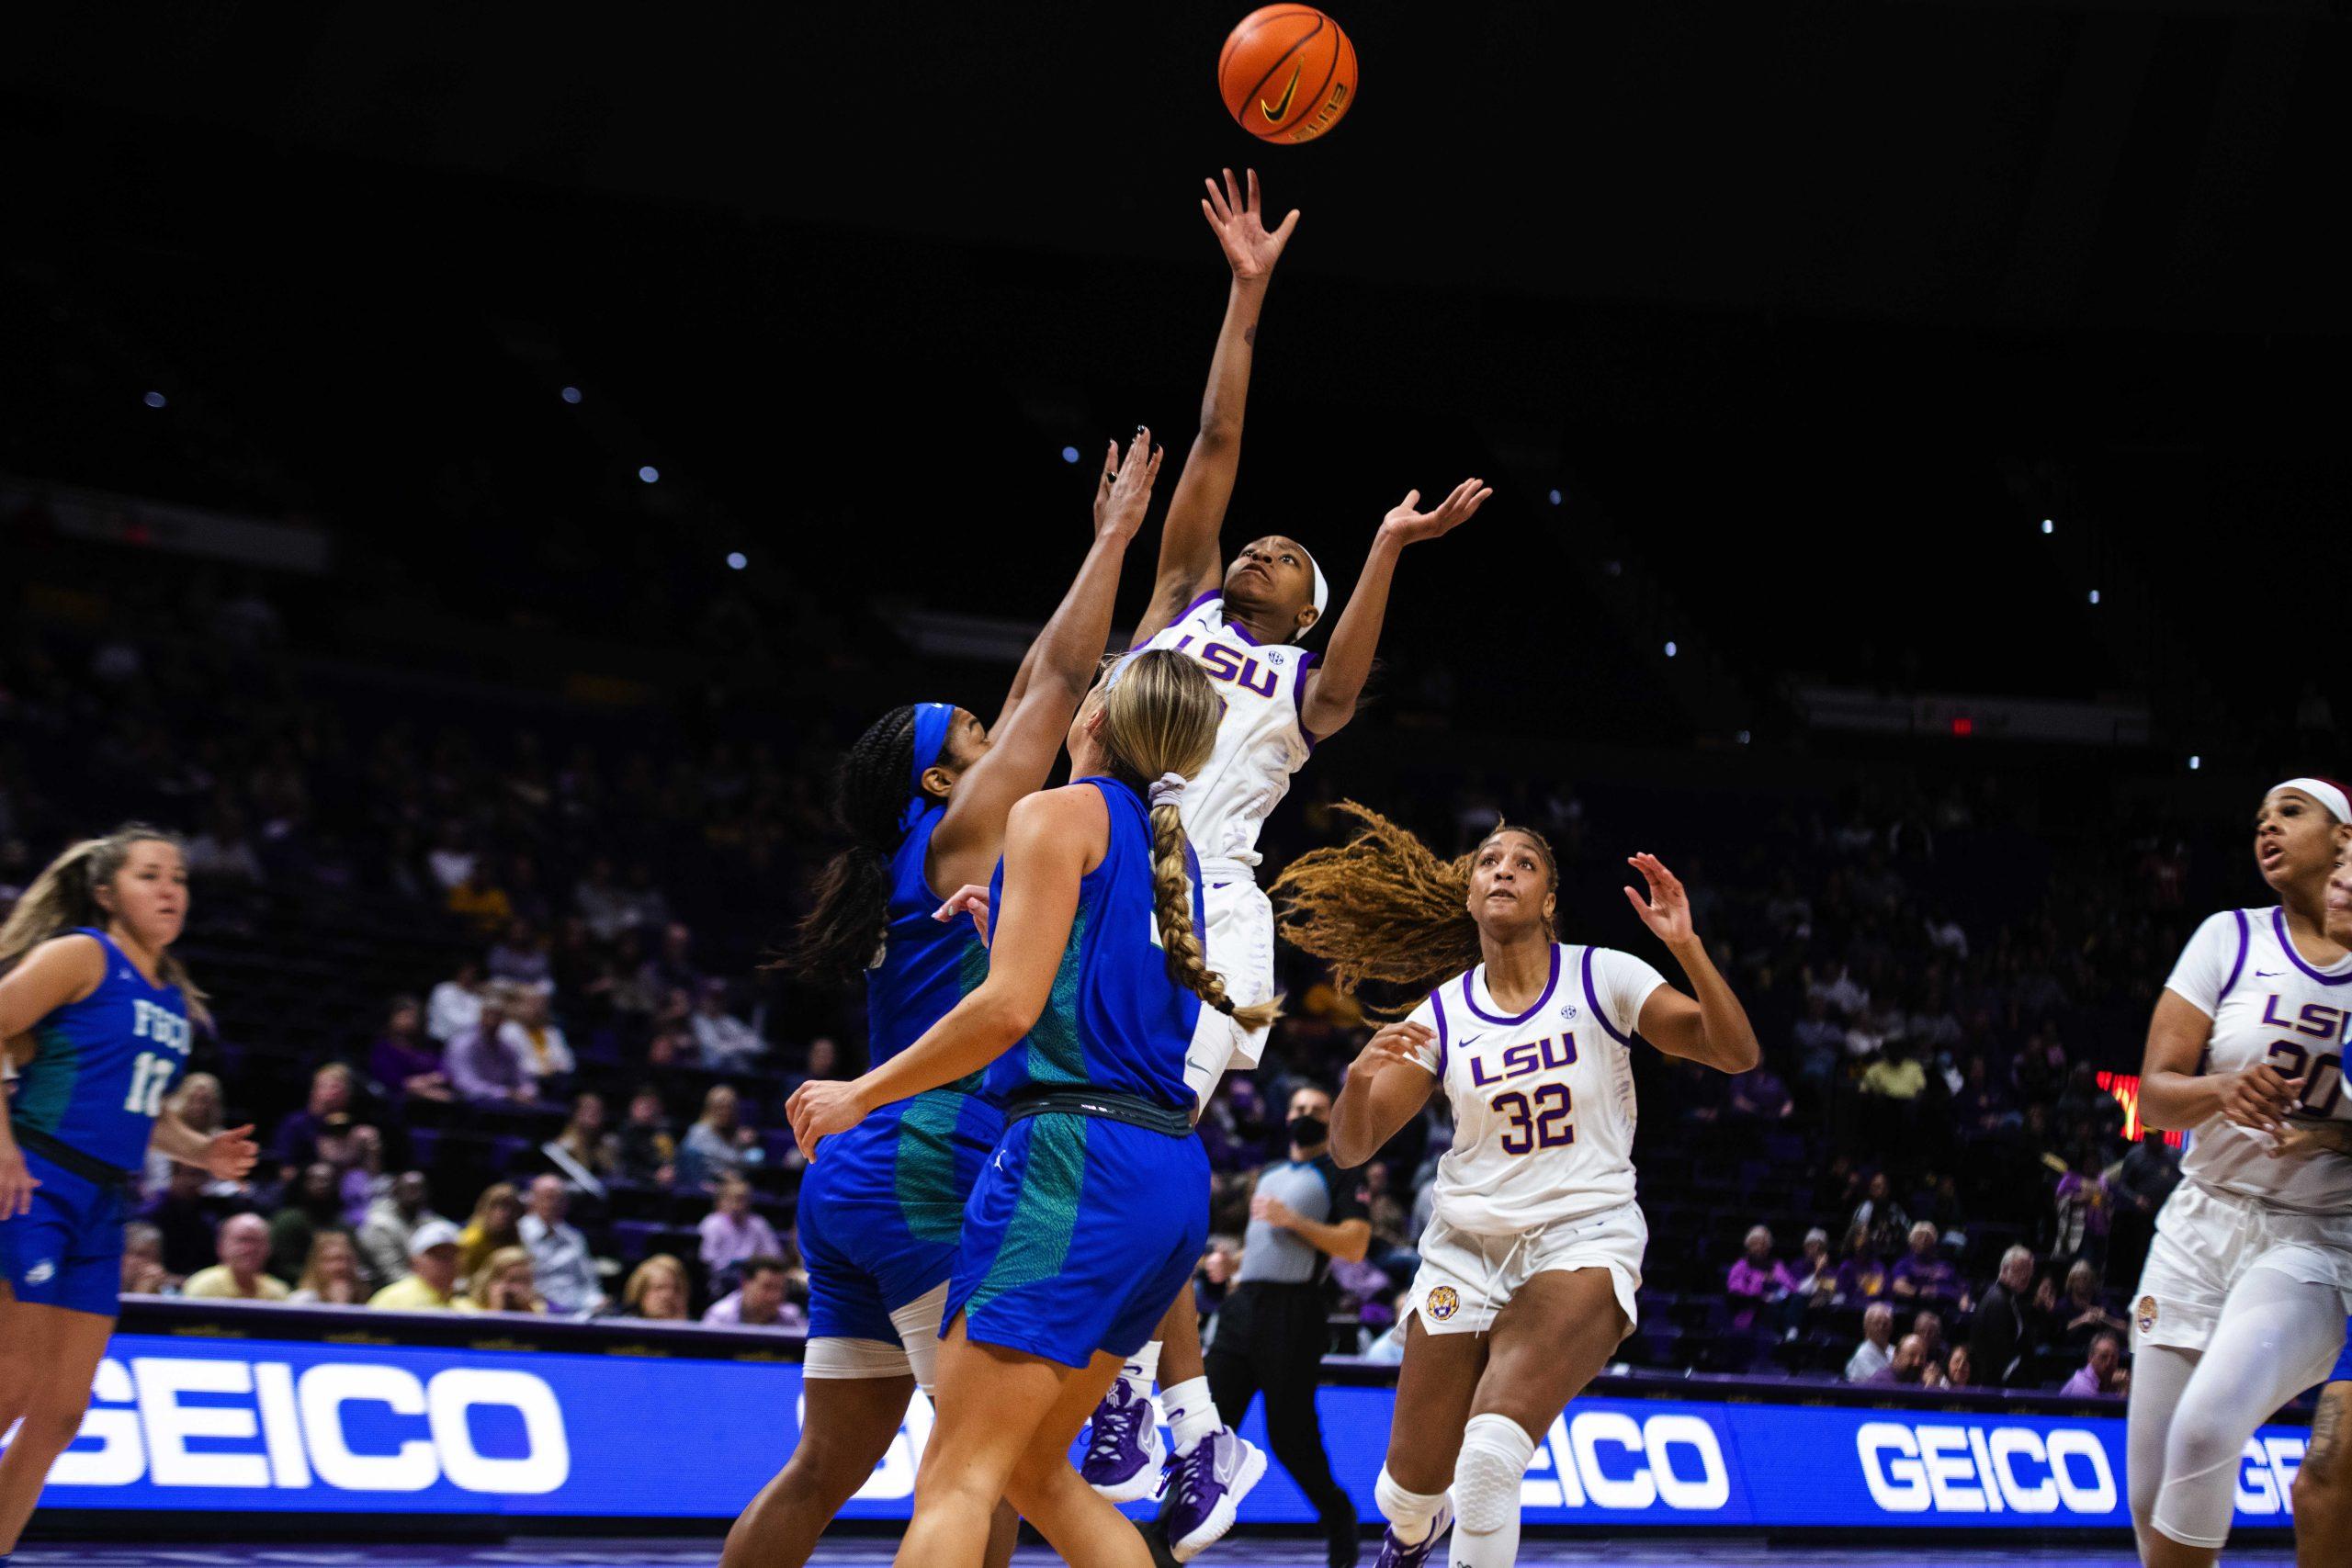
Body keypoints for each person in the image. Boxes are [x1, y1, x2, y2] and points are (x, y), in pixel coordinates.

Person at [1084, 168, 1494, 1551]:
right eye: (1254, 538)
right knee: (1093, 1154)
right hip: (1093, 897)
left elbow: (1355, 671)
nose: (1257, 544)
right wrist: (1245, 293)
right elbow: (1215, 433)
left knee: (1137, 1154)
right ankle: (1188, 1432)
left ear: (1305, 605)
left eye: (1285, 553)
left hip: (1204, 916)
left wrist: (1382, 546)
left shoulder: (1302, 684)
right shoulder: (1177, 600)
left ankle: (1159, 1412)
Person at [723, 427, 1161, 1568]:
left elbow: (1034, 684)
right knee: (989, 1472)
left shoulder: (913, 853)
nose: (995, 723)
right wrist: (1114, 536)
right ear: (937, 777)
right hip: (927, 1159)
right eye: (973, 732)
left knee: (826, 1469)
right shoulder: (968, 829)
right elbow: (1059, 680)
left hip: (853, 1181)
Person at [787, 648, 1272, 1568]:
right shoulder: (1171, 851)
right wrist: (1007, 920)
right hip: (1166, 1175)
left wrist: (861, 1092)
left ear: (1095, 720)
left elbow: (1007, 1009)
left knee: (956, 1481)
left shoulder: (1052, 813)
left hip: (1071, 1161)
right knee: (1038, 1473)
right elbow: (1090, 987)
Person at [1280, 808, 1759, 1568]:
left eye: (1524, 863)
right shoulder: (1443, 1013)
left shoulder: (1605, 977)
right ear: (1471, 897)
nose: (1502, 868)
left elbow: (1734, 1051)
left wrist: (1686, 948)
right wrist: (1356, 1080)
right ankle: (1411, 1536)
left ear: (1548, 901)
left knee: (1491, 1458)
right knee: (1406, 1493)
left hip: (1582, 1235)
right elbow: (1351, 1146)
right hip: (1464, 1251)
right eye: (1488, 861)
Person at [0, 826, 259, 1561]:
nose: (171, 888)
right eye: (150, 875)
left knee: (58, 1415)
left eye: (178, 875)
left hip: (105, 1204)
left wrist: (200, 1150)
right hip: (37, 1183)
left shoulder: (171, 998)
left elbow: (141, 1109)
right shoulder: (81, 954)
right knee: (9, 1383)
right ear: (108, 892)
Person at [2126, 779, 2352, 1568]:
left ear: (2344, 839)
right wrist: (2221, 1088)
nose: (2268, 827)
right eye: (2259, 817)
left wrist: (2329, 1134)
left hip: (2314, 1237)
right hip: (2199, 1222)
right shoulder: (2228, 937)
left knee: (2209, 1427)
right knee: (2151, 1500)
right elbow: (2155, 1096)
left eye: (2291, 812)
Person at [1195, 1085, 1364, 1564]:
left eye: (1315, 1110)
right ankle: (1170, 1527)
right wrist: (1233, 1266)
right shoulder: (1269, 1172)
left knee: (1291, 1439)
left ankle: (1340, 1520)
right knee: (1208, 1422)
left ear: (1331, 1119)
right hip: (1244, 1304)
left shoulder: (1341, 1173)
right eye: (1297, 1108)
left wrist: (1294, 1221)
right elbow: (1267, 1245)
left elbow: (1355, 1244)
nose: (1304, 1116)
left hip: (1295, 1311)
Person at [519, 1174, 605, 1316]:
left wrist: (597, 1301)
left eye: (559, 1199)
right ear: (532, 1200)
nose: (553, 1204)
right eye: (548, 1197)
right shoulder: (518, 1233)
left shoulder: (574, 1237)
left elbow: (589, 1282)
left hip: (578, 1310)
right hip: (535, 1310)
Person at [356, 1169, 442, 1287]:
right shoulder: (379, 1225)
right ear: (395, 1191)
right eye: (411, 1189)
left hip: (419, 1285)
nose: (416, 1194)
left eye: (420, 1189)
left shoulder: (427, 1221)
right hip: (384, 1292)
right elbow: (393, 1274)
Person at [1970, 1245, 2039, 1387]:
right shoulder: (1998, 1301)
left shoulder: (2005, 1298)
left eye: (2030, 1269)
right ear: (2005, 1269)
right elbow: (2002, 1356)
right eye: (2022, 1268)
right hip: (1997, 1390)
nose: (2028, 1275)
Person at [183, 1212, 290, 1302]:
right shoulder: (203, 1287)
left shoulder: (278, 1292)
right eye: (243, 1240)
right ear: (221, 1246)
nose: (250, 1249)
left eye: (258, 1241)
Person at [698, 1172, 783, 1283]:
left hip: (753, 1277)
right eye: (732, 1198)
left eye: (742, 1199)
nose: (737, 1204)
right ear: (722, 1200)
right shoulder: (712, 1223)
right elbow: (707, 1258)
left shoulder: (758, 1224)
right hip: (721, 1278)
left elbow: (774, 1255)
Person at [368, 1217, 464, 1310]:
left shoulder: (466, 1306)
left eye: (451, 1256)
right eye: (437, 1256)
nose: (445, 1264)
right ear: (415, 1260)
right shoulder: (391, 1299)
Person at [706, 1255, 802, 1329]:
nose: (775, 1296)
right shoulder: (720, 1317)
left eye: (780, 1289)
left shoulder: (792, 1318)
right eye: (767, 1287)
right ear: (745, 1284)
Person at [457, 1182, 522, 1290]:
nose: (504, 1213)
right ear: (483, 1208)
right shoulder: (471, 1240)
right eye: (496, 1206)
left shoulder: (515, 1238)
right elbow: (460, 1280)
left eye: (510, 1207)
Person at [290, 1230, 368, 1305]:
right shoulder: (302, 1301)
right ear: (316, 1264)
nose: (341, 1267)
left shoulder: (366, 1299)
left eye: (347, 1259)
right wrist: (340, 1305)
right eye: (332, 1260)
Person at [463, 1245, 545, 1314]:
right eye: (513, 1280)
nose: (519, 1288)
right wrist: (497, 1308)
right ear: (491, 1281)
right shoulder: (465, 1308)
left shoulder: (540, 1309)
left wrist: (526, 1311)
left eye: (525, 1281)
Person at [621, 1253, 691, 1322]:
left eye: (677, 1289)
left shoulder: (698, 1330)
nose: (668, 1295)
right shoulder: (620, 1329)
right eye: (659, 1287)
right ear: (640, 1292)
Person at [2061, 1330, 2128, 1396]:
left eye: (2113, 1357)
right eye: (2103, 1357)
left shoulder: (2113, 1382)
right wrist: (2123, 1391)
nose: (2109, 1363)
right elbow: (2101, 1407)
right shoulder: (2082, 1385)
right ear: (2090, 1358)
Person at [1846, 1302, 1896, 1382]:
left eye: (1885, 1323)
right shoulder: (1862, 1355)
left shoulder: (1894, 1350)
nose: (1881, 1327)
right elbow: (1881, 1382)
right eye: (1877, 1323)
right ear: (1867, 1327)